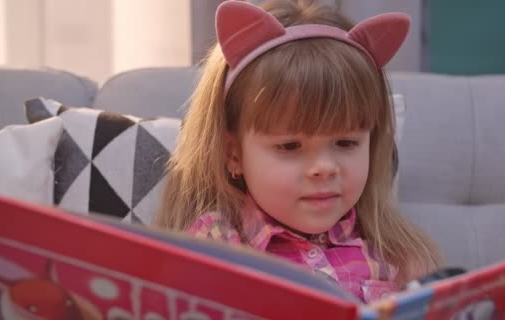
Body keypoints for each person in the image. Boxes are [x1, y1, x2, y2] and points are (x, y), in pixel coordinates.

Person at [155, 0, 441, 303]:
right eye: (290, 146)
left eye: (346, 143)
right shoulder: (212, 249)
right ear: (233, 154)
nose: (324, 168)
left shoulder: (399, 258)